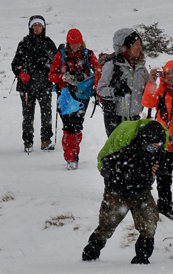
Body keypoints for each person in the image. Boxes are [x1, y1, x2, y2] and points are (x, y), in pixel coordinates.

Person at [82, 119, 167, 264]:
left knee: (149, 225)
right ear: (144, 140)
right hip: (118, 192)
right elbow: (105, 166)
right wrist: (121, 170)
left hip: (142, 191)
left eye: (157, 146)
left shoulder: (157, 151)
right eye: (152, 145)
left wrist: (158, 169)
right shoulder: (125, 148)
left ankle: (142, 259)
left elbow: (164, 166)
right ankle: (91, 253)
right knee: (106, 227)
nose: (155, 148)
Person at [48, 28, 100, 170]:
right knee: (69, 126)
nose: (75, 46)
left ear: (82, 42)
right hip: (65, 95)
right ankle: (71, 157)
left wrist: (87, 78)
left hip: (82, 95)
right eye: (72, 43)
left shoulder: (88, 54)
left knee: (76, 126)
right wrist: (64, 78)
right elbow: (51, 75)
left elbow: (99, 71)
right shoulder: (61, 55)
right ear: (68, 43)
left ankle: (73, 155)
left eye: (78, 43)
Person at [10, 16, 57, 153]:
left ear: (43, 27)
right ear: (30, 27)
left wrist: (52, 73)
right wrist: (20, 73)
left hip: (45, 85)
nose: (37, 28)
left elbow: (56, 63)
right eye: (34, 25)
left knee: (46, 114)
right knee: (28, 115)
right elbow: (15, 63)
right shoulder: (24, 43)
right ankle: (28, 142)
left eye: (39, 25)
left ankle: (46, 140)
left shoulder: (48, 43)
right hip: (26, 86)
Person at [97, 28, 149, 136]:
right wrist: (116, 91)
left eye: (140, 44)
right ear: (126, 47)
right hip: (115, 119)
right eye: (136, 44)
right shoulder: (112, 65)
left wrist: (153, 84)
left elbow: (148, 93)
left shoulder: (141, 68)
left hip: (135, 119)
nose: (140, 47)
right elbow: (100, 90)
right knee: (118, 147)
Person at [141, 60, 173, 219]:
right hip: (165, 143)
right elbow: (147, 102)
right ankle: (165, 205)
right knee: (164, 176)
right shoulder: (161, 91)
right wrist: (152, 83)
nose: (171, 77)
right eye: (168, 73)